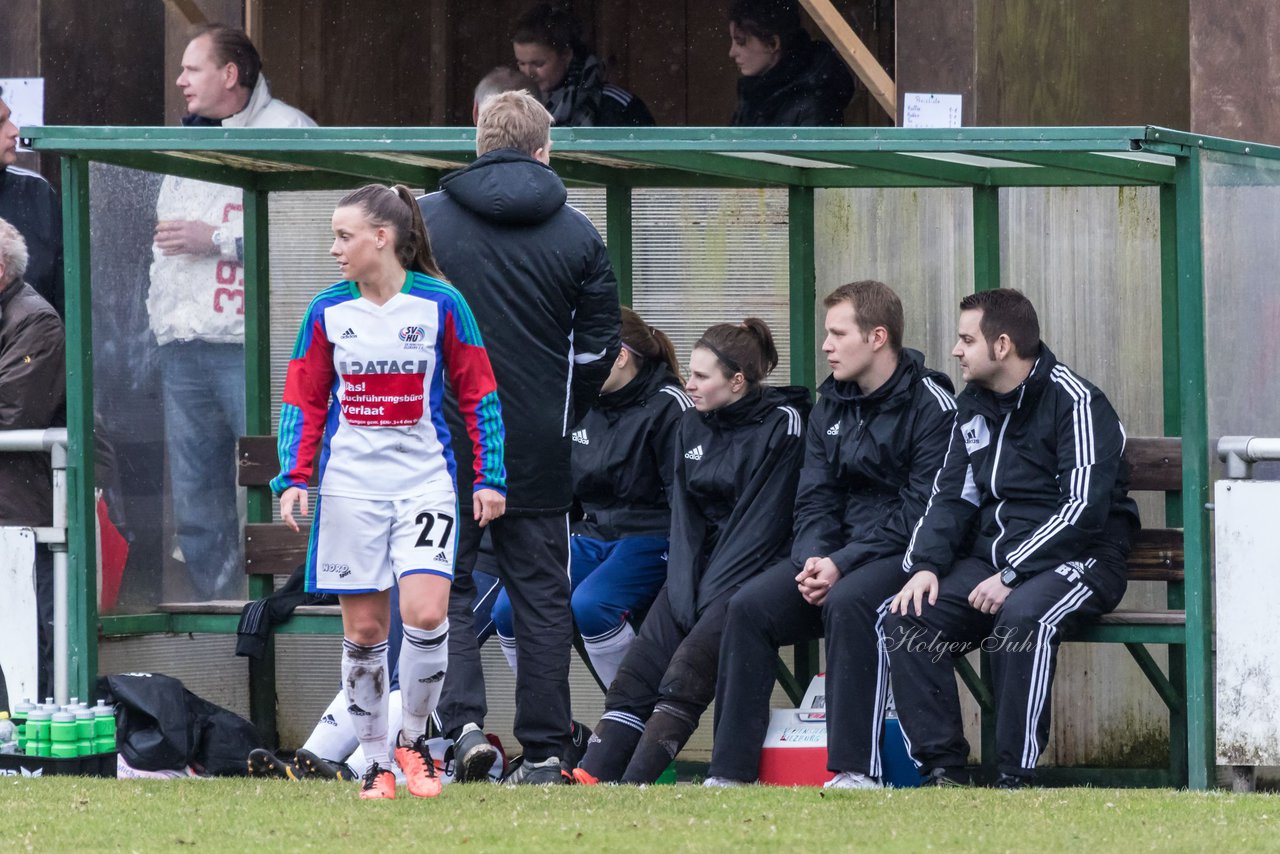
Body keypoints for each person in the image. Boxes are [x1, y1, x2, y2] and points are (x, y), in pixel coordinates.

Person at [271, 184, 507, 801]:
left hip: (425, 484)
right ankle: (376, 765)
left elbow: (479, 393)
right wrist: (294, 477)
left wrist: (490, 476)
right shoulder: (327, 310)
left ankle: (412, 742)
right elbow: (303, 397)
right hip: (352, 491)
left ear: (383, 237)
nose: (333, 249)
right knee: (367, 632)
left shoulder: (442, 303)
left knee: (427, 615)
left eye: (343, 236)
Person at [418, 90, 621, 785]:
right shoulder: (578, 234)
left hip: (441, 442)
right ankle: (543, 751)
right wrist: (558, 413)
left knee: (445, 584)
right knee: (540, 594)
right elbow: (599, 348)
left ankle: (464, 727)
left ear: (476, 141)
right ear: (545, 150)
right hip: (534, 445)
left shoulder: (423, 222)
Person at [702, 281, 956, 789]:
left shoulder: (932, 403)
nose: (826, 346)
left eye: (838, 334)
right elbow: (814, 496)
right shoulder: (830, 403)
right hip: (835, 557)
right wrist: (815, 557)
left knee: (849, 601)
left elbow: (922, 509)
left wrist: (843, 563)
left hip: (903, 554)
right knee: (747, 606)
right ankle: (729, 772)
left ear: (878, 337)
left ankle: (854, 769)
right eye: (827, 334)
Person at [884, 288, 1140, 788]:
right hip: (997, 562)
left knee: (1022, 619)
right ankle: (943, 771)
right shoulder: (972, 407)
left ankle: (1012, 776)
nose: (955, 351)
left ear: (1001, 346)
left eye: (965, 340)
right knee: (906, 618)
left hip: (1084, 560)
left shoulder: (1077, 401)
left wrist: (1012, 573)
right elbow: (951, 497)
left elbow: (1082, 510)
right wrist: (926, 567)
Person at [573, 318, 809, 786]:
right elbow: (684, 518)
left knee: (686, 670)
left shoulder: (784, 425)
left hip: (753, 573)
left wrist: (702, 598)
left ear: (737, 381)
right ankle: (590, 777)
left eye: (702, 376)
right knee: (637, 672)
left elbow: (758, 529)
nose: (689, 383)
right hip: (698, 575)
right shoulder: (692, 425)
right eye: (691, 372)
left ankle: (635, 782)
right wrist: (680, 587)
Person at [149, 25, 315, 601]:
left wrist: (215, 238)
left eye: (192, 69)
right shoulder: (189, 140)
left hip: (251, 346)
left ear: (229, 75)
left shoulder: (288, 131)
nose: (180, 80)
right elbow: (168, 255)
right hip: (184, 350)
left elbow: (310, 233)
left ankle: (281, 609)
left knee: (274, 480)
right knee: (195, 499)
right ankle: (221, 604)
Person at [491, 308, 691, 689]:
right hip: (591, 534)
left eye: (583, 355)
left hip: (652, 535)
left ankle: (630, 723)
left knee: (592, 605)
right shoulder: (578, 402)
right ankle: (552, 731)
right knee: (510, 608)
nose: (574, 365)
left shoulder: (670, 406)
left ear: (620, 356)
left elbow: (686, 504)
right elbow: (562, 490)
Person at [0, 217, 65, 703]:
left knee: (26, 631)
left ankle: (31, 728)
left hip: (20, 508)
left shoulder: (34, 320)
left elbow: (13, 410)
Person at [511, 3, 655, 127]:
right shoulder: (513, 107)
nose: (528, 72)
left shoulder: (616, 106)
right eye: (521, 63)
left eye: (538, 63)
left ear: (566, 55)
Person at [728, 0, 856, 126]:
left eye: (740, 42)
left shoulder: (813, 103)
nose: (732, 52)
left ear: (773, 44)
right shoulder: (753, 95)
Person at [0, 90, 63, 317]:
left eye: (9, 118)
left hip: (34, 346)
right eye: (1, 123)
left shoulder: (36, 193)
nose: (14, 131)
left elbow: (66, 292)